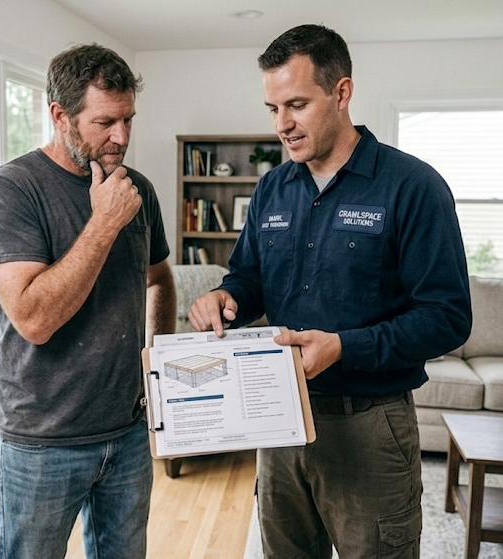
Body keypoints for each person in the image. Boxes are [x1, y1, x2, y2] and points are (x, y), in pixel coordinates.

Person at [188, 24, 472, 558]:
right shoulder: (273, 186)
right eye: (272, 108)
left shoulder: (412, 187)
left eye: (296, 104)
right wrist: (227, 298)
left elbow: (448, 316)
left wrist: (345, 346)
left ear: (341, 93)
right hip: (277, 418)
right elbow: (249, 278)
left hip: (370, 422)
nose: (282, 126)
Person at [0, 43, 176, 559]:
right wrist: (104, 222)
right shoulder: (9, 191)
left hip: (127, 434)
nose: (122, 137)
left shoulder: (139, 190)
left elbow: (159, 280)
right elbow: (34, 319)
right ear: (60, 115)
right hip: (41, 443)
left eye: (129, 119)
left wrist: (160, 369)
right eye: (105, 121)